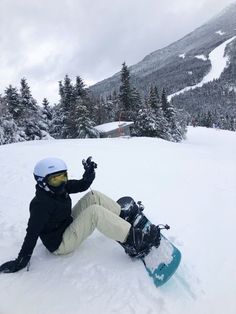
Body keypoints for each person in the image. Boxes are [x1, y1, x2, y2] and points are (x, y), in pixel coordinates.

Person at [0, 157, 160, 273]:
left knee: (93, 196)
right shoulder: (40, 204)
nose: (62, 182)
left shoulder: (60, 188)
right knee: (94, 212)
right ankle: (136, 241)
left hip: (66, 225)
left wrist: (89, 172)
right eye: (56, 179)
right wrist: (21, 261)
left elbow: (83, 185)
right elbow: (32, 233)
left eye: (64, 176)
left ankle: (121, 217)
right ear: (43, 181)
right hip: (61, 244)